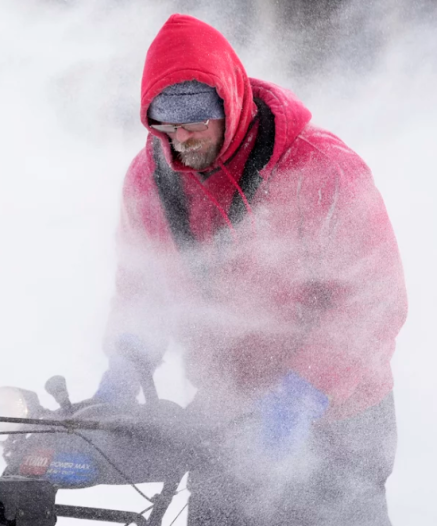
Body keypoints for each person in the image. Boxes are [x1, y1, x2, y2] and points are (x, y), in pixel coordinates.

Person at [94, 14, 407, 526]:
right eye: (165, 123)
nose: (181, 139)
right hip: (224, 417)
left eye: (195, 119)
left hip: (339, 418)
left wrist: (302, 393)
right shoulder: (150, 179)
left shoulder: (321, 169)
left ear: (230, 102)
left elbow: (374, 301)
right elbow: (142, 286)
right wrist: (126, 363)